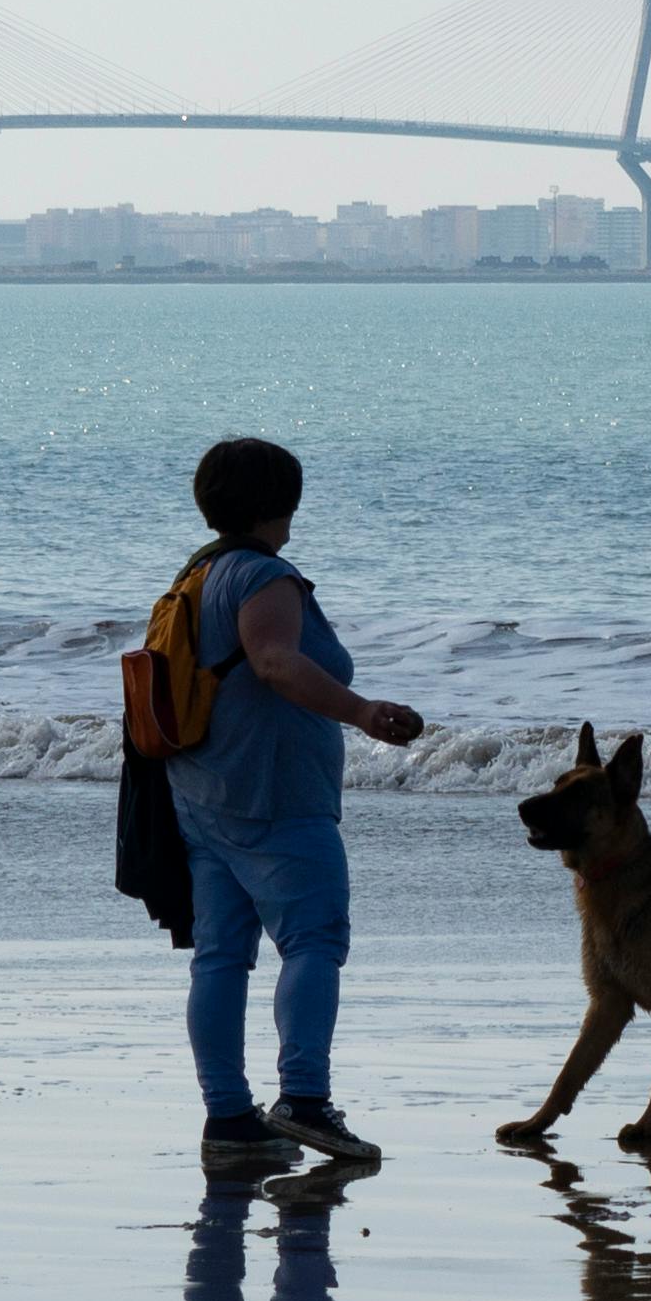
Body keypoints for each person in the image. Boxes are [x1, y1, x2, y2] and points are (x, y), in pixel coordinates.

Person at [171, 434, 424, 1174]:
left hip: (199, 790)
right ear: (284, 503)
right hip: (273, 795)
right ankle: (304, 1099)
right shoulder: (264, 576)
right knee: (314, 941)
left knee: (221, 957)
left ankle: (229, 1117)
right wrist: (362, 710)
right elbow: (275, 663)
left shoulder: (197, 574)